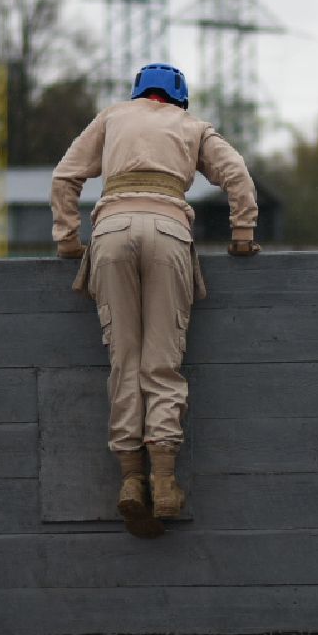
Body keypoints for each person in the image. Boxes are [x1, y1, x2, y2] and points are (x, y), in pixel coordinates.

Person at [51, 63, 259, 539]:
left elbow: (65, 178)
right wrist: (242, 234)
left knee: (123, 360)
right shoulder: (192, 127)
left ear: (139, 93)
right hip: (168, 231)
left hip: (110, 231)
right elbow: (236, 174)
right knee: (162, 363)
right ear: (179, 98)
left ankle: (130, 480)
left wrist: (67, 239)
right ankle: (164, 484)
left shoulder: (111, 118)